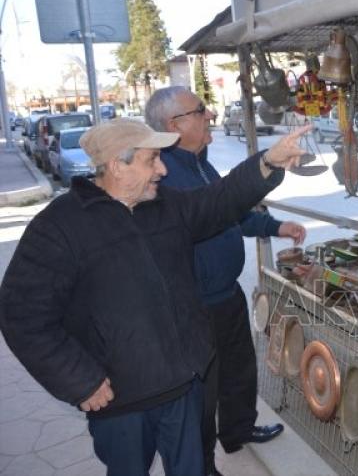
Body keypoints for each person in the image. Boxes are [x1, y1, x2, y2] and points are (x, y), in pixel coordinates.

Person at [0, 118, 310, 476]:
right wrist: (78, 379)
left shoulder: (166, 206)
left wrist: (268, 162)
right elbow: (21, 314)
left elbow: (219, 200)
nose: (162, 170)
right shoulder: (58, 227)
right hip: (120, 400)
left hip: (183, 385)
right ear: (118, 164)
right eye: (152, 160)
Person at [145, 87, 305, 476]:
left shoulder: (200, 162)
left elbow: (230, 208)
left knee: (239, 369)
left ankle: (237, 430)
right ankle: (201, 465)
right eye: (200, 110)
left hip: (225, 292)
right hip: (195, 303)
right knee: (202, 391)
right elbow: (210, 211)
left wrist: (275, 225)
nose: (209, 114)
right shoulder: (163, 174)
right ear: (175, 125)